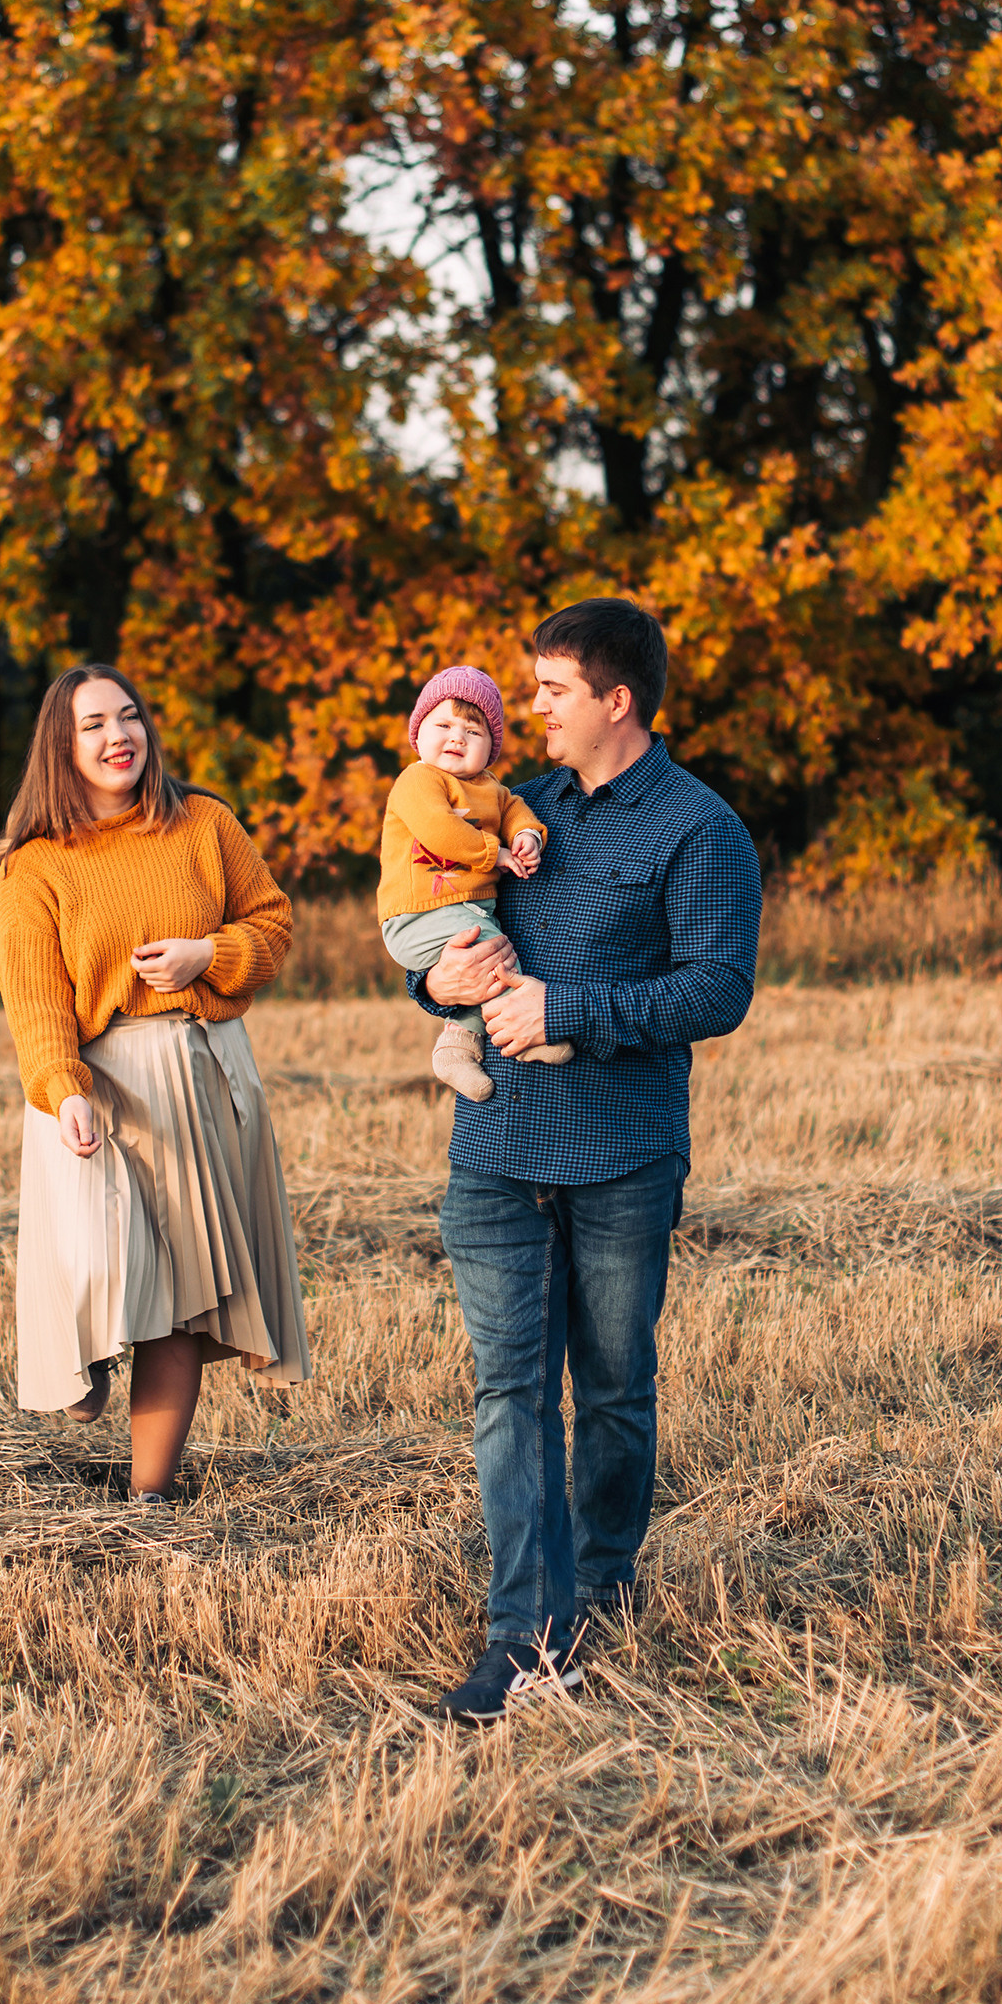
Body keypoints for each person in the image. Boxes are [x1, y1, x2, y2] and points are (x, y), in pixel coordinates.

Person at [410, 598, 760, 1723]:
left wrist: (574, 1006)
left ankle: (602, 1589)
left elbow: (716, 989)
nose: (532, 709)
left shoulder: (700, 831)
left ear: (617, 701)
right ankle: (523, 1634)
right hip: (496, 1150)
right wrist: (434, 985)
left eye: (552, 690)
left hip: (620, 1153)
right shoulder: (520, 811)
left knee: (611, 1389)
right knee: (510, 1392)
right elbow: (434, 914)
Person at [0, 663, 309, 1501]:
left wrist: (213, 954)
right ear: (62, 746)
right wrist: (63, 1090)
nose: (117, 736)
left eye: (127, 717)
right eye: (93, 724)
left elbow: (273, 922)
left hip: (202, 1072)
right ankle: (86, 1359)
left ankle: (149, 1499)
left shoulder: (203, 822)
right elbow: (37, 1002)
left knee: (181, 1303)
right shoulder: (36, 866)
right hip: (96, 1084)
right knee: (105, 1268)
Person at [375, 662, 572, 1100]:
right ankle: (521, 1032)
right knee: (494, 955)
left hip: (459, 912)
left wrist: (525, 837)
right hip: (419, 912)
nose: (456, 737)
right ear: (418, 732)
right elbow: (439, 829)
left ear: (491, 749)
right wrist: (495, 853)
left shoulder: (492, 789)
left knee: (483, 956)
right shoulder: (418, 780)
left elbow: (517, 810)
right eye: (442, 724)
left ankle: (457, 1046)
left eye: (473, 731)